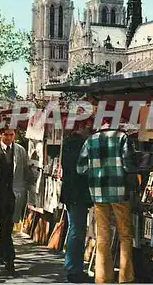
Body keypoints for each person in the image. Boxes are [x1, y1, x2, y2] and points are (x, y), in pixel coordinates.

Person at [77, 121, 137, 284]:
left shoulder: (90, 140)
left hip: (97, 193)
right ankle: (125, 277)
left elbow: (80, 168)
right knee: (125, 235)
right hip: (119, 192)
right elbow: (129, 165)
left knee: (103, 235)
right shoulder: (122, 138)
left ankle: (102, 277)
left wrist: (95, 171)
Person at [0, 124, 29, 276]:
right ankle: (6, 255)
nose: (9, 138)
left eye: (11, 135)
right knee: (4, 225)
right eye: (6, 135)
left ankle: (6, 256)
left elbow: (25, 171)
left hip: (14, 195)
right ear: (0, 135)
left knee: (7, 225)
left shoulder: (20, 150)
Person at [60, 120, 93, 283]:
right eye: (89, 127)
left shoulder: (69, 142)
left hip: (71, 193)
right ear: (82, 127)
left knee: (75, 229)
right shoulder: (79, 144)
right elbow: (80, 170)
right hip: (77, 194)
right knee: (77, 230)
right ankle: (74, 269)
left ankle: (73, 266)